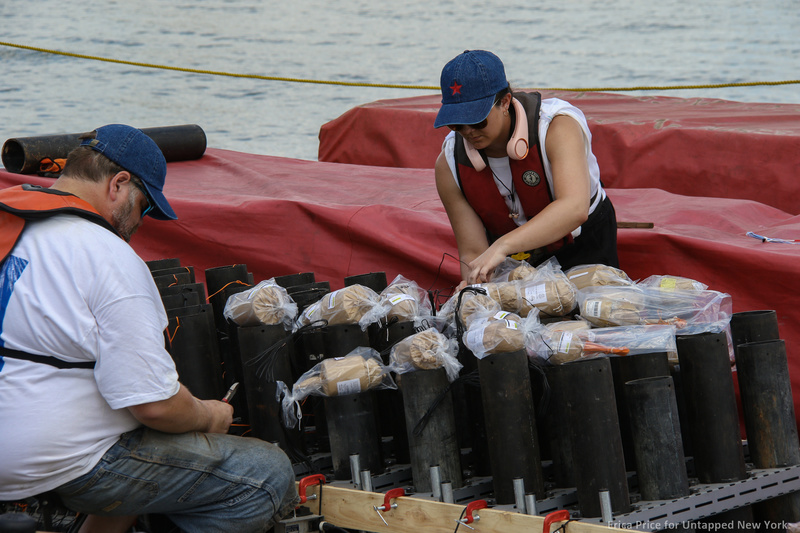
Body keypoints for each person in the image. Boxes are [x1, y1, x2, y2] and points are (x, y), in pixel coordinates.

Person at [0, 124, 298, 533]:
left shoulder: (9, 222)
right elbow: (153, 404)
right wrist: (209, 416)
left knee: (137, 439)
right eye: (144, 206)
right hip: (49, 461)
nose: (140, 222)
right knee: (266, 474)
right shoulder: (105, 254)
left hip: (18, 444)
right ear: (118, 184)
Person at [434, 50, 618, 285]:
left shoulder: (556, 127)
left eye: (477, 120)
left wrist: (502, 245)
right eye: (456, 124)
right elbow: (473, 252)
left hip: (582, 244)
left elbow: (574, 208)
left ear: (505, 102)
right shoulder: (449, 164)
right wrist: (476, 290)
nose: (468, 131)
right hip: (513, 259)